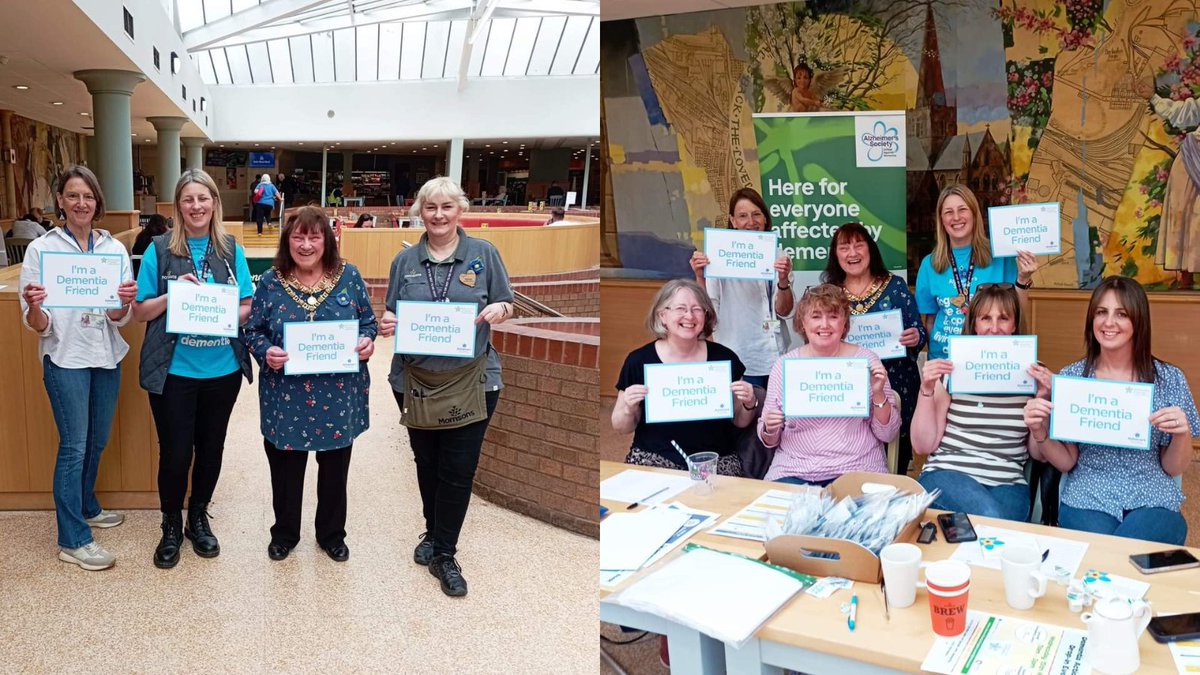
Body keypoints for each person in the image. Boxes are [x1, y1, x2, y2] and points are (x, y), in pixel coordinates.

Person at [378, 176, 514, 597]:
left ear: (461, 211)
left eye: (447, 207)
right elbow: (389, 315)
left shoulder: (483, 254)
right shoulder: (405, 262)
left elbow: (508, 302)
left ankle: (444, 553)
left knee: (458, 470)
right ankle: (433, 532)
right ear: (419, 211)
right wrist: (389, 325)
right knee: (427, 462)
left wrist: (498, 309)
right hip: (415, 380)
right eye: (430, 207)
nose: (438, 215)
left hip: (473, 381)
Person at [132, 169, 255, 569]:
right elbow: (139, 311)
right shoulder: (159, 249)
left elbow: (247, 305)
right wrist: (174, 296)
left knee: (211, 449)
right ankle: (171, 523)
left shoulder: (230, 248)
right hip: (174, 372)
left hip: (221, 371)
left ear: (214, 203)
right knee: (175, 452)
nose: (196, 206)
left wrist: (223, 314)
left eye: (204, 199)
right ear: (178, 206)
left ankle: (198, 517)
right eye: (188, 200)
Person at [18, 165, 137, 570]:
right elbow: (39, 324)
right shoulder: (42, 250)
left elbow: (120, 316)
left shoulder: (112, 249)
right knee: (74, 447)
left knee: (97, 441)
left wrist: (124, 300)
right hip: (65, 357)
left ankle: (86, 505)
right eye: (72, 195)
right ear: (61, 202)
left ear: (97, 201)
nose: (81, 203)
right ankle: (73, 539)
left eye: (87, 196)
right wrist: (34, 306)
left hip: (105, 355)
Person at [244, 206, 377, 562]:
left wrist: (366, 343)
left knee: (335, 471)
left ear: (327, 240)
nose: (305, 245)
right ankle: (285, 533)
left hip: (338, 396)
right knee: (286, 472)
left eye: (313, 236)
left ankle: (331, 534)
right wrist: (266, 350)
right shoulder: (271, 281)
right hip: (285, 397)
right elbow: (252, 330)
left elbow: (369, 323)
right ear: (287, 241)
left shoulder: (348, 276)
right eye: (298, 237)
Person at [1024, 276, 1199, 545]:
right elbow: (1067, 461)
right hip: (1088, 497)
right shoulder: (1073, 379)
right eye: (1101, 312)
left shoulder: (1169, 378)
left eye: (1121, 314)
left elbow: (1173, 466)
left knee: (1118, 547)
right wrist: (1040, 431)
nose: (1108, 323)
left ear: (1138, 321)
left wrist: (1181, 434)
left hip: (1152, 497)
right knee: (1125, 552)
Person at [912, 284, 1052, 521]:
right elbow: (922, 446)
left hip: (1007, 482)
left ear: (1014, 325)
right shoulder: (951, 368)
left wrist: (1043, 398)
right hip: (948, 473)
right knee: (995, 522)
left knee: (992, 531)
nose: (994, 328)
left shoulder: (1033, 375)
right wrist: (926, 390)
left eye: (1004, 318)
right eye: (986, 318)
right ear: (974, 325)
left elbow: (1039, 455)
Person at [758, 284, 900, 485]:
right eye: (816, 316)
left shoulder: (866, 361)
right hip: (794, 468)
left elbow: (888, 433)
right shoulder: (784, 366)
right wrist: (770, 428)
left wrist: (878, 394)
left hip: (858, 467)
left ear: (844, 324)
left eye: (833, 317)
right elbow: (769, 440)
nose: (824, 325)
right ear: (803, 322)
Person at [613, 278, 757, 474]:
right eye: (680, 308)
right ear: (662, 315)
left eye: (697, 309)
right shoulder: (639, 361)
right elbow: (620, 427)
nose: (689, 316)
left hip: (716, 460)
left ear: (706, 316)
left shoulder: (725, 359)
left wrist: (750, 402)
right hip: (654, 457)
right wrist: (629, 408)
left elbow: (741, 421)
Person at [823, 222, 926, 474]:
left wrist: (915, 336)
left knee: (895, 455)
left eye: (859, 245)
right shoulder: (829, 293)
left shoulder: (896, 286)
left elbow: (920, 331)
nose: (852, 253)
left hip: (898, 382)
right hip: (847, 385)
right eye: (844, 247)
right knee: (853, 450)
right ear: (835, 254)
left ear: (870, 249)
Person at [915, 184, 1039, 360]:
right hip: (944, 360)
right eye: (949, 212)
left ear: (974, 214)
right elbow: (930, 320)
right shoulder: (930, 264)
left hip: (991, 359)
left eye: (962, 209)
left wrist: (1024, 277)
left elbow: (1018, 313)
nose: (956, 217)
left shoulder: (1000, 257)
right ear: (941, 219)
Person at [689, 187, 794, 389]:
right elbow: (708, 312)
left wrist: (782, 280)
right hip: (739, 356)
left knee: (776, 418)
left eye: (756, 214)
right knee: (746, 417)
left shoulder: (779, 254)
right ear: (733, 221)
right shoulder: (718, 256)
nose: (751, 222)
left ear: (765, 218)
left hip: (776, 355)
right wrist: (700, 276)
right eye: (743, 216)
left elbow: (784, 310)